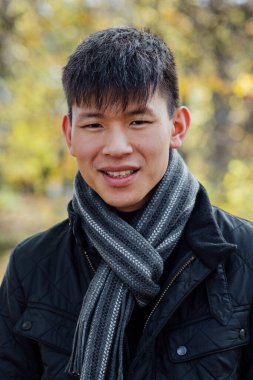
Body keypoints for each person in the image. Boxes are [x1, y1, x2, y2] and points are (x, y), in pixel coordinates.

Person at [0, 26, 252, 380]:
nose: (116, 147)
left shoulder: (244, 256)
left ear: (177, 127)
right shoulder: (32, 266)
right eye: (94, 125)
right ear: (69, 134)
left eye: (137, 121)